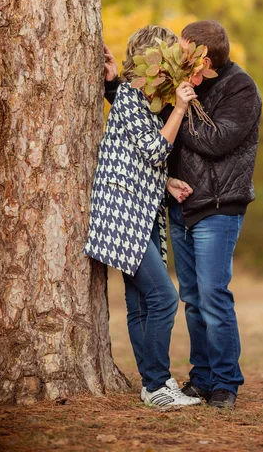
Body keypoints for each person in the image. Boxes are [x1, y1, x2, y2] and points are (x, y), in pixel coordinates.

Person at [104, 20, 262, 409]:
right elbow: (147, 118)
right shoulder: (181, 83)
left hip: (218, 206)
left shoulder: (239, 88)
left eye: (183, 50)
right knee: (192, 297)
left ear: (203, 58)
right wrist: (115, 86)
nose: (176, 55)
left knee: (212, 294)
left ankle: (226, 382)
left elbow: (214, 140)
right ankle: (202, 378)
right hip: (180, 206)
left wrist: (179, 106)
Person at [83, 25, 200, 408]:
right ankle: (157, 384)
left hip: (142, 211)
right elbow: (153, 149)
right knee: (165, 299)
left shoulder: (137, 98)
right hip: (123, 213)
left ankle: (154, 385)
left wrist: (166, 183)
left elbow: (138, 156)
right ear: (153, 61)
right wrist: (181, 108)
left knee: (141, 304)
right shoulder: (134, 97)